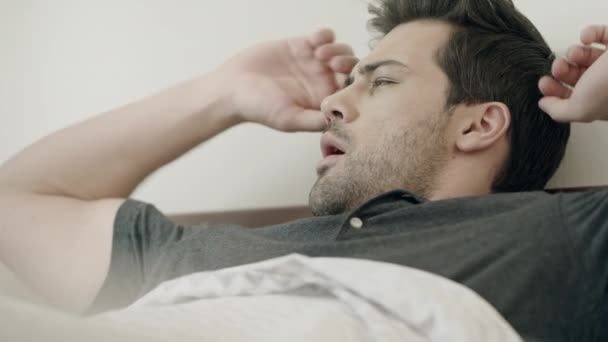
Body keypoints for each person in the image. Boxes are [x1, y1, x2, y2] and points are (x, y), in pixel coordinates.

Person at [0, 0, 606, 340]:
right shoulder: (199, 255)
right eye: (345, 84)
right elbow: (18, 203)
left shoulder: (562, 238)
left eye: (383, 81)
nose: (332, 104)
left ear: (477, 126)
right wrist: (220, 94)